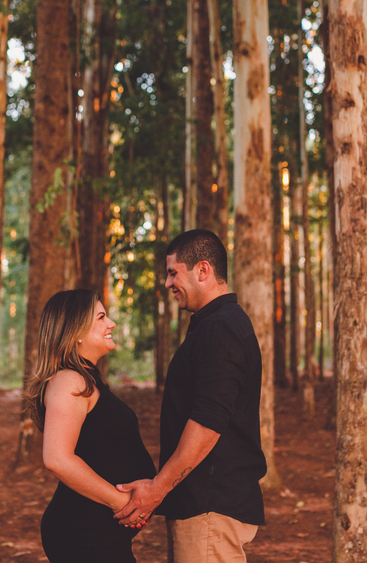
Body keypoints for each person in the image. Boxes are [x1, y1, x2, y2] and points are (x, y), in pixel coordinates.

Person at [114, 229, 266, 562]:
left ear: (202, 270)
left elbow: (208, 423)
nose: (167, 283)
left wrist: (157, 489)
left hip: (210, 508)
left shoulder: (220, 328)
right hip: (203, 507)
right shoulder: (213, 325)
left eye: (172, 273)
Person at [27, 289, 157, 563]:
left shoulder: (86, 379)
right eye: (101, 317)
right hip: (83, 534)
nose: (111, 324)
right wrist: (119, 502)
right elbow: (57, 459)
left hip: (98, 533)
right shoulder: (69, 381)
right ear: (76, 332)